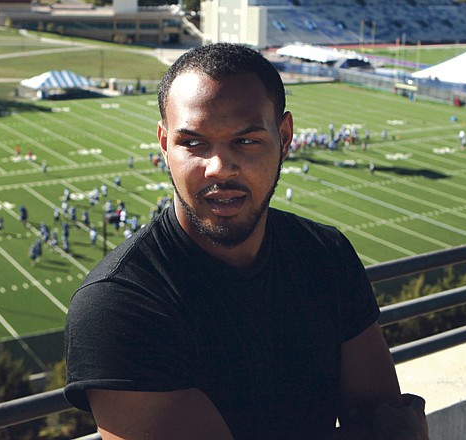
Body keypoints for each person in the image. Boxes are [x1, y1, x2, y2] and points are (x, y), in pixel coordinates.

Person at [64, 43, 428, 440]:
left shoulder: (325, 254)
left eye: (246, 141)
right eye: (193, 143)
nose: (219, 167)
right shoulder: (119, 303)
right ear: (164, 145)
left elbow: (391, 425)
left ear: (285, 137)